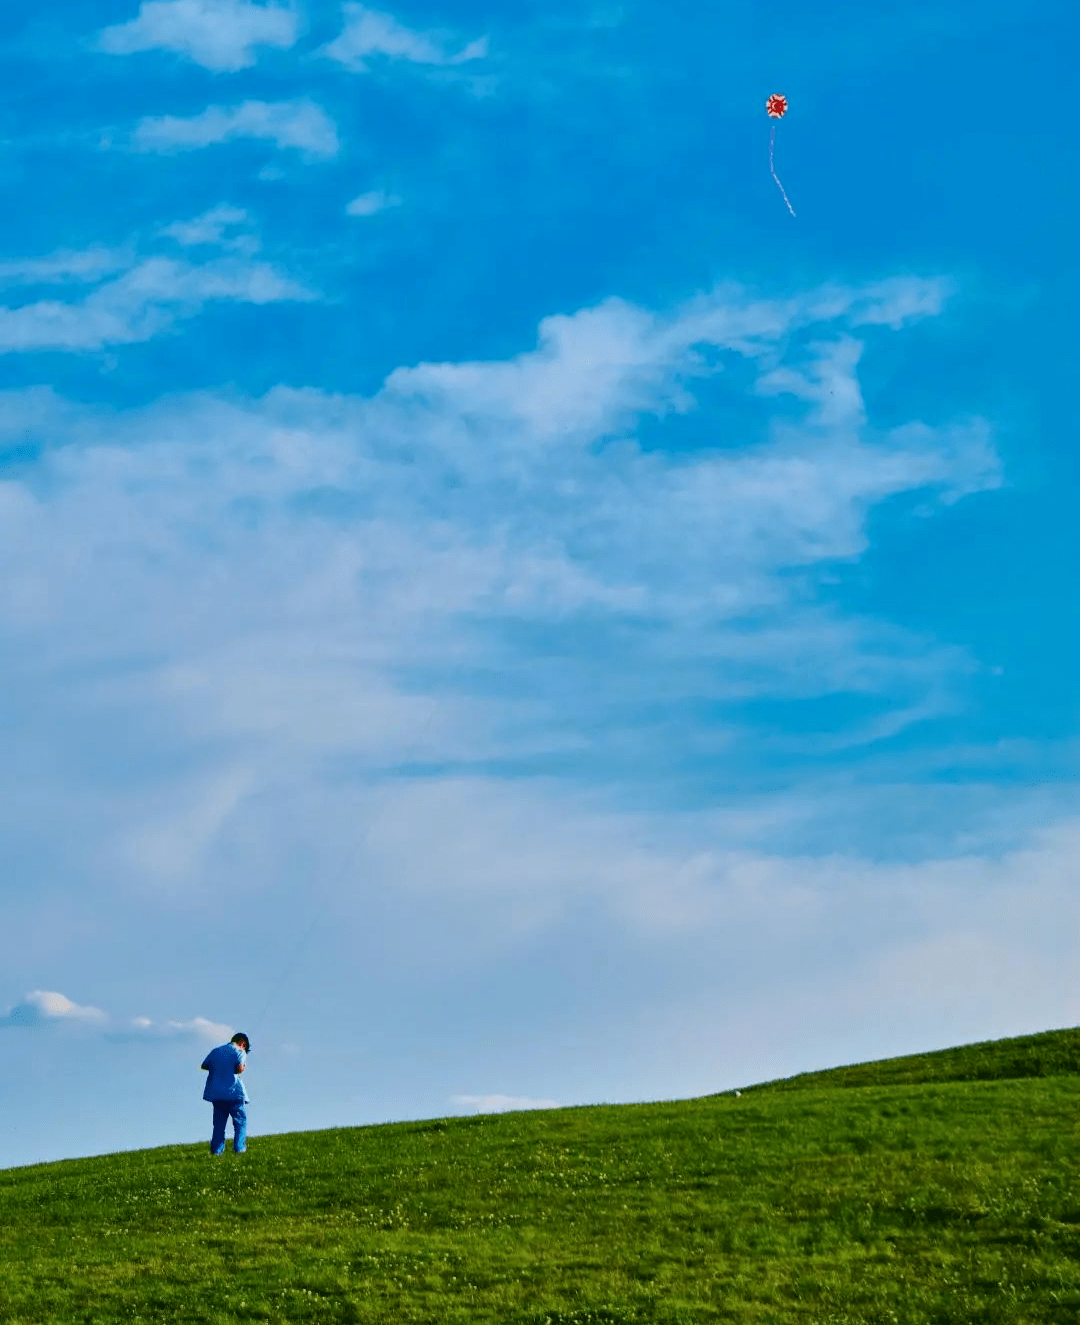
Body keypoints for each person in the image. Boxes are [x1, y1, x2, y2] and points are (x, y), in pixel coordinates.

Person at [200, 1032, 250, 1155]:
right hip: (234, 1093)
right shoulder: (240, 1051)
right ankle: (239, 1149)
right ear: (242, 1043)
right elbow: (238, 1068)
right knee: (240, 1123)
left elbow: (204, 1065)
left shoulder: (216, 1051)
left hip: (217, 1094)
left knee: (218, 1126)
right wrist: (243, 1067)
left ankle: (217, 1152)